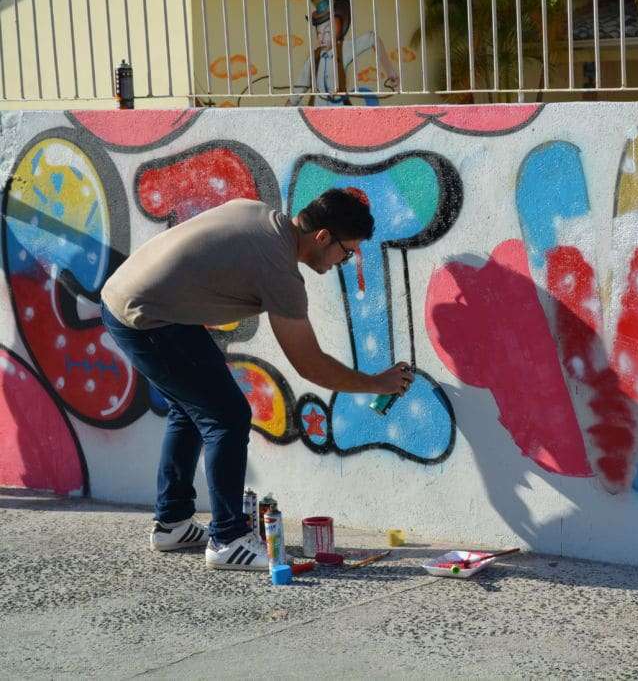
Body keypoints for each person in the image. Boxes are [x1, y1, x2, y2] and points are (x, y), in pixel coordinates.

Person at [99, 189, 413, 571]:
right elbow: (310, 365)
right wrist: (377, 384)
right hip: (144, 315)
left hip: (135, 299)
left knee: (193, 407)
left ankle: (173, 523)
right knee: (227, 415)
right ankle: (228, 540)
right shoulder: (279, 270)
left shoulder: (261, 216)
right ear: (323, 237)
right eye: (346, 252)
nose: (345, 262)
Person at [286, 0, 399, 107]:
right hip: (318, 112)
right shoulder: (314, 58)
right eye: (319, 33)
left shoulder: (344, 49)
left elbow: (372, 38)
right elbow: (299, 88)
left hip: (339, 111)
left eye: (328, 32)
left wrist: (391, 73)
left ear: (338, 30)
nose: (321, 38)